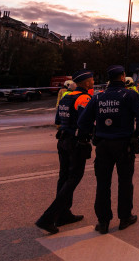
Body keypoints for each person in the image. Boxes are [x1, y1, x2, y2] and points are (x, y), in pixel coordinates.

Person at [78, 65, 139, 234]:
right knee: (125, 183)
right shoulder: (130, 95)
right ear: (123, 77)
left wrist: (95, 133)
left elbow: (82, 122)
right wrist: (135, 134)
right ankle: (125, 218)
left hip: (103, 146)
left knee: (103, 184)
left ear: (109, 79)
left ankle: (103, 223)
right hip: (124, 145)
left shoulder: (98, 97)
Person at [35, 70, 94, 234]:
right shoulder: (84, 98)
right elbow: (86, 122)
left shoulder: (66, 97)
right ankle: (48, 218)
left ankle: (63, 214)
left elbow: (57, 120)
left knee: (64, 177)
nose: (93, 82)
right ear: (87, 83)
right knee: (74, 178)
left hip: (63, 140)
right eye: (92, 80)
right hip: (76, 143)